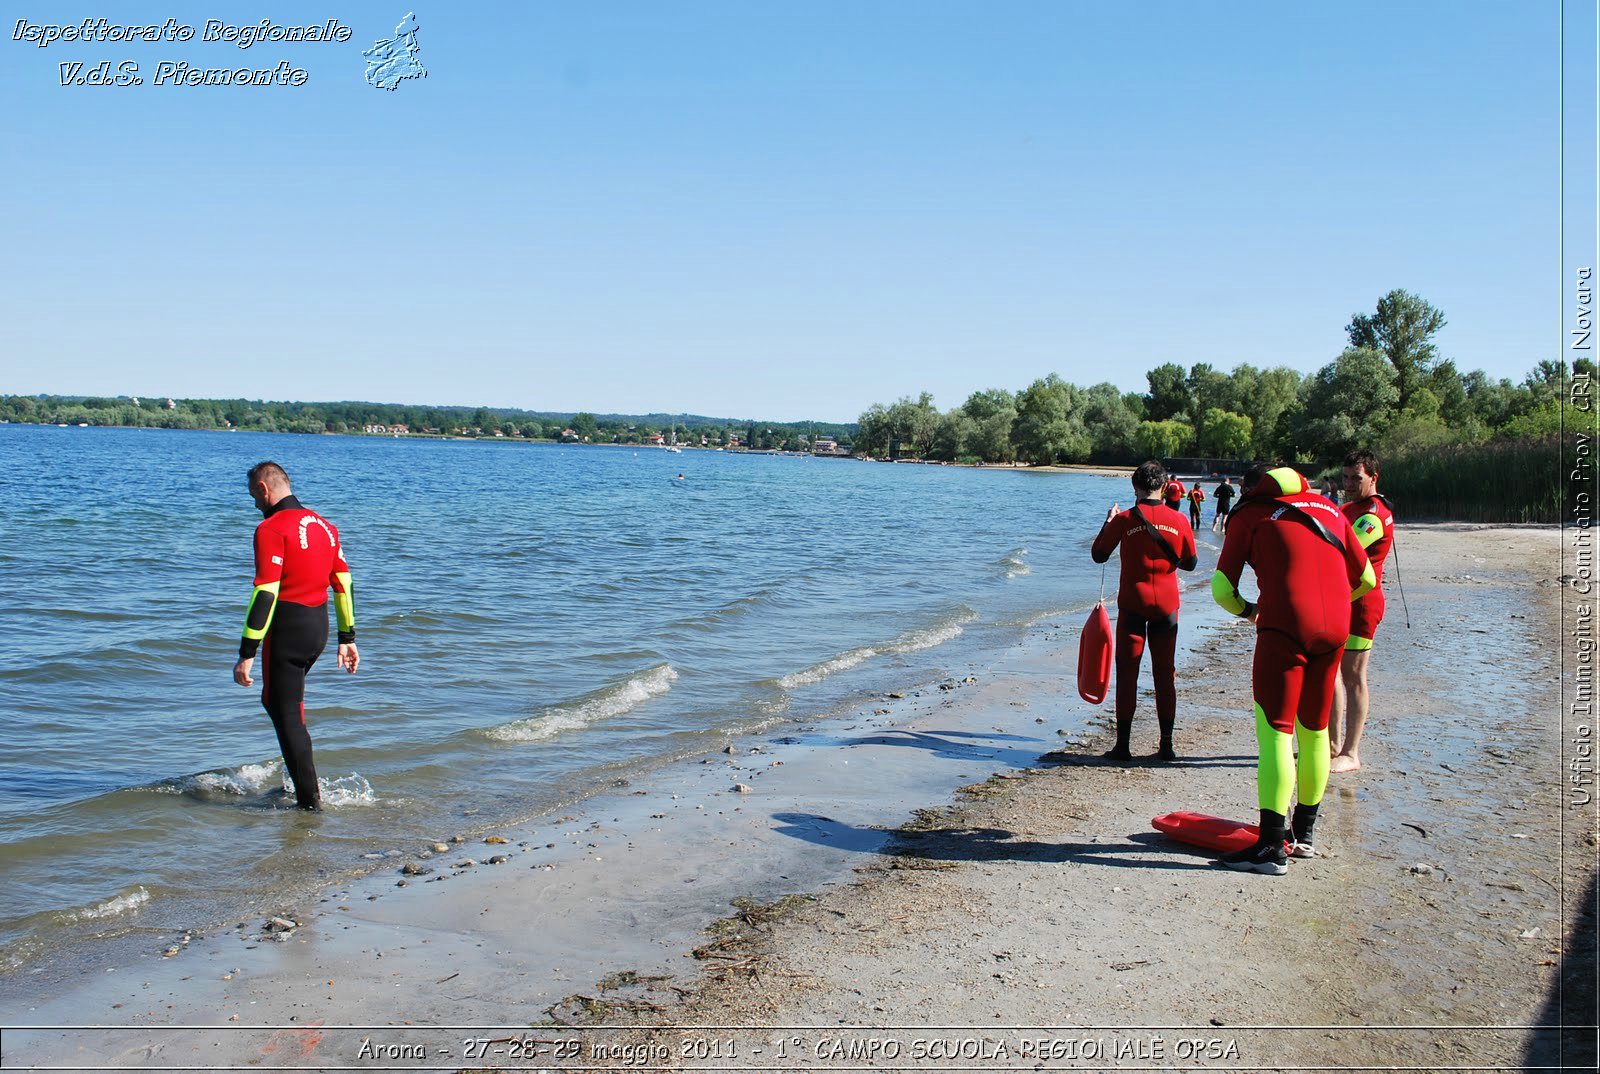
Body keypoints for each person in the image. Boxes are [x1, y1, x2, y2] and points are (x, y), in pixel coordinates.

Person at [1210, 465, 1374, 873]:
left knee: (1276, 732)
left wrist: (1252, 612)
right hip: (1335, 627)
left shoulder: (1250, 514)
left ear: (1254, 489)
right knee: (1315, 730)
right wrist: (1333, 602)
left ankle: (1270, 847)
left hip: (1285, 628)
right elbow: (1367, 578)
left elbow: (1221, 589)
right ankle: (1305, 837)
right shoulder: (1330, 509)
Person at [233, 461, 359, 811]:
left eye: (253, 497)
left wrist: (247, 652)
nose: (255, 505)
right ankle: (300, 784)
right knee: (291, 706)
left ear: (263, 488)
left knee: (281, 708)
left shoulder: (271, 528)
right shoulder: (326, 526)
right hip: (317, 629)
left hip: (287, 629)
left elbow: (266, 592)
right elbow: (344, 585)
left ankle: (309, 803)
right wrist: (347, 637)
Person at [1091, 461, 1199, 762]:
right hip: (1166, 604)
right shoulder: (1179, 519)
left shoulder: (1124, 519)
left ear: (1134, 487)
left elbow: (1099, 555)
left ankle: (1123, 747)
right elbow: (1191, 563)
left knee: (1128, 674)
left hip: (1133, 605)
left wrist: (1108, 521)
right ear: (1164, 487)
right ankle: (1166, 745)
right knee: (1165, 674)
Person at [1329, 450, 1395, 774]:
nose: (1350, 484)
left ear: (1373, 478)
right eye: (1345, 478)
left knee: (1353, 676)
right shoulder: (1348, 508)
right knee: (1331, 674)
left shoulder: (1373, 514)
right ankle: (1331, 745)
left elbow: (1343, 548)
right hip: (1340, 600)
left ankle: (1351, 752)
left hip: (1363, 602)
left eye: (1357, 478)